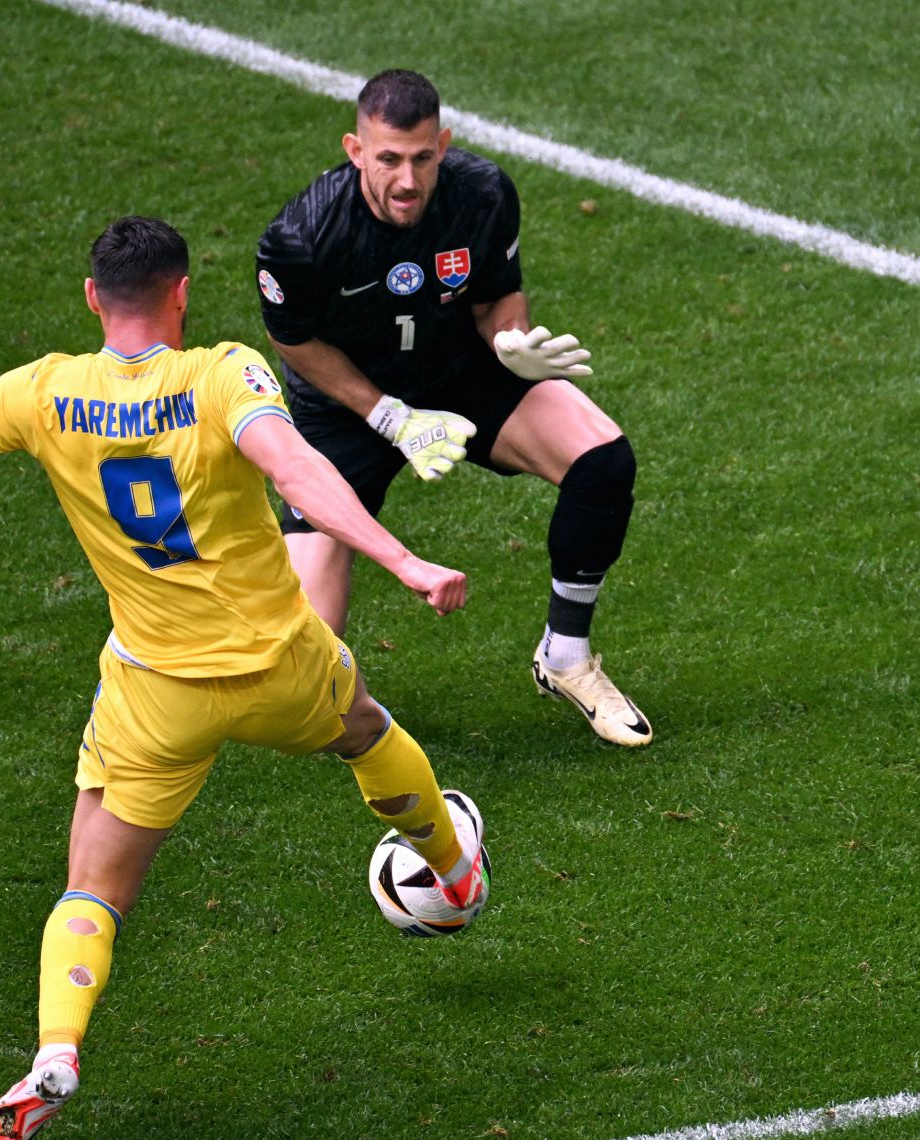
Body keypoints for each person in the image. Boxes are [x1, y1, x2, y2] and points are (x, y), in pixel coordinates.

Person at [0, 215, 491, 1140]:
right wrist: (404, 561)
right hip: (280, 665)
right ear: (182, 292)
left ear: (92, 298)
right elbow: (294, 466)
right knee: (365, 730)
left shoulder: (45, 393)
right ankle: (454, 872)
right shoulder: (222, 374)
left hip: (156, 695)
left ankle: (56, 1051)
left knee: (95, 887)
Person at [256, 69, 652, 748]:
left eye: (421, 158)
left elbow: (498, 297)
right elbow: (293, 340)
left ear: (442, 144)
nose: (407, 180)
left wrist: (510, 344)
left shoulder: (483, 193)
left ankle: (565, 657)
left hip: (458, 370)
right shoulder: (303, 234)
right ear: (355, 150)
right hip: (348, 407)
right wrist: (388, 416)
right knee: (303, 671)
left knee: (603, 460)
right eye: (388, 159)